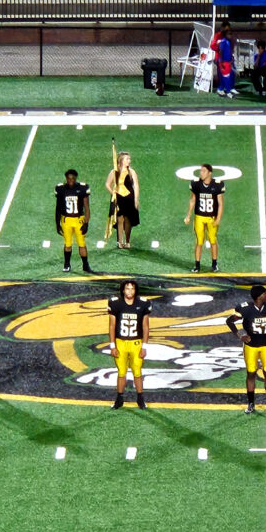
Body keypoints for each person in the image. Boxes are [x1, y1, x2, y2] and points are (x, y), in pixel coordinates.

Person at [226, 284, 266, 414]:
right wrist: (240, 336)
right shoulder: (245, 309)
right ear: (259, 297)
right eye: (265, 294)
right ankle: (251, 404)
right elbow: (229, 321)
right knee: (251, 374)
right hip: (251, 347)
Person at [107, 279, 152, 409]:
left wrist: (144, 346)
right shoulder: (115, 303)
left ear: (135, 290)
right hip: (120, 342)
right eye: (127, 288)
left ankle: (140, 399)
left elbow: (146, 327)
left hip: (136, 342)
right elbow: (111, 326)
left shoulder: (143, 304)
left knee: (137, 371)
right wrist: (112, 345)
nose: (130, 291)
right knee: (121, 372)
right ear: (123, 290)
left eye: (132, 289)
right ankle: (119, 399)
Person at [184, 163, 225, 273]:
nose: (201, 173)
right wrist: (188, 215)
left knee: (213, 240)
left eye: (203, 171)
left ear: (209, 173)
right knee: (199, 241)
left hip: (211, 217)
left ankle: (214, 264)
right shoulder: (196, 184)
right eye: (200, 171)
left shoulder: (217, 184)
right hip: (199, 217)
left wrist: (218, 218)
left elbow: (220, 203)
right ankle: (197, 265)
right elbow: (192, 200)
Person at [54, 169, 92, 273]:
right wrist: (57, 223)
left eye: (73, 178)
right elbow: (58, 208)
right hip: (66, 220)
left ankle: (85, 265)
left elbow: (86, 207)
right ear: (66, 178)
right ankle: (67, 264)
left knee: (81, 244)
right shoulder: (61, 189)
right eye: (69, 178)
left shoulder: (82, 188)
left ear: (76, 178)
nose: (71, 180)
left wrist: (86, 222)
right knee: (68, 244)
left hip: (79, 219)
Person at [104, 151, 140, 249]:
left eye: (129, 159)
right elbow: (107, 184)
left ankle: (127, 240)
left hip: (129, 198)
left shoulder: (131, 172)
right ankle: (119, 241)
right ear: (121, 160)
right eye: (127, 159)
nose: (129, 161)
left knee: (128, 220)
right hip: (118, 198)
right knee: (119, 220)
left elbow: (136, 185)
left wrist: (136, 200)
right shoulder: (114, 171)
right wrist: (113, 193)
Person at [215, 28, 236, 98]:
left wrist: (231, 59)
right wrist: (221, 63)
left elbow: (229, 52)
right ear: (226, 35)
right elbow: (221, 52)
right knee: (226, 77)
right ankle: (228, 92)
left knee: (226, 77)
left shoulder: (228, 42)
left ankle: (220, 89)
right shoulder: (223, 42)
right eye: (229, 34)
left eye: (231, 34)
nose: (231, 35)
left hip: (228, 62)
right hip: (224, 62)